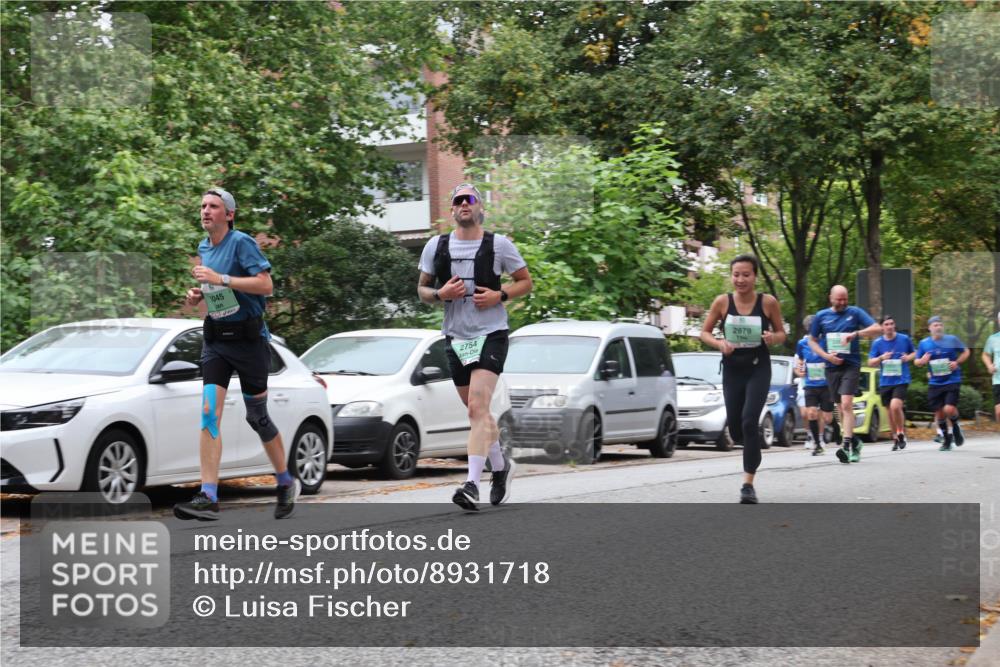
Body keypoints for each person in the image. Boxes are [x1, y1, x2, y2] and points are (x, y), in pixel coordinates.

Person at [174, 188, 299, 521]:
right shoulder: (204, 247)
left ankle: (285, 481)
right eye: (202, 206)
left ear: (229, 214)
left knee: (256, 417)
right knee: (207, 413)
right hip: (216, 340)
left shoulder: (242, 242)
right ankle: (208, 495)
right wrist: (199, 294)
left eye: (213, 206)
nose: (205, 211)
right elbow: (219, 293)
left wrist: (221, 279)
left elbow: (265, 285)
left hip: (248, 341)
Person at [417, 183, 533, 511]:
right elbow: (422, 290)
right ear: (452, 210)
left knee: (475, 410)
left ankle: (470, 484)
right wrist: (441, 295)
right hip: (458, 338)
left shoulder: (499, 245)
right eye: (458, 200)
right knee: (479, 412)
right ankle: (501, 467)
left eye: (471, 199)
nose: (464, 204)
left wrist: (502, 295)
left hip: (491, 334)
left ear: (480, 208)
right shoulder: (435, 246)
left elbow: (526, 281)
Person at [700, 254, 786, 504]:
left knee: (750, 422)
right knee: (737, 430)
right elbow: (704, 332)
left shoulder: (768, 302)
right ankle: (747, 442)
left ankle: (748, 484)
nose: (740, 279)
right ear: (731, 276)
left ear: (755, 276)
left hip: (759, 368)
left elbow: (782, 333)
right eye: (736, 274)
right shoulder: (722, 302)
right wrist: (719, 343)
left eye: (746, 274)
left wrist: (773, 338)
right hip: (732, 369)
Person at [808, 285, 882, 464]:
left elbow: (877, 328)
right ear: (830, 298)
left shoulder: (855, 312)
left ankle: (846, 445)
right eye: (839, 299)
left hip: (851, 365)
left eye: (845, 299)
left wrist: (855, 334)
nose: (842, 302)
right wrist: (826, 356)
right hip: (832, 367)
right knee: (840, 408)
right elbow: (812, 340)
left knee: (847, 403)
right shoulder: (821, 316)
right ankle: (855, 442)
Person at [915, 315, 969, 451]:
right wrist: (922, 361)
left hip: (952, 379)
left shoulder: (951, 340)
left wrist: (956, 362)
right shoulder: (924, 343)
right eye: (935, 325)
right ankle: (946, 440)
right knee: (939, 413)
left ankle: (956, 425)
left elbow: (966, 352)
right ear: (929, 328)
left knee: (948, 409)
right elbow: (916, 362)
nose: (938, 327)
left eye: (940, 325)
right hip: (935, 382)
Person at [867, 314, 917, 451]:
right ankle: (895, 437)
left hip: (901, 379)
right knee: (889, 412)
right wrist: (881, 358)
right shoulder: (877, 343)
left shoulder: (904, 339)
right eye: (886, 324)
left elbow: (915, 353)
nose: (889, 326)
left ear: (894, 325)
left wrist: (907, 357)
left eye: (891, 323)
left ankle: (901, 432)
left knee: (896, 406)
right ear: (882, 327)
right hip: (885, 381)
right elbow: (870, 362)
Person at [794, 314, 837, 456]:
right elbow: (800, 359)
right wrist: (801, 367)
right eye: (810, 328)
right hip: (810, 385)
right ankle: (817, 445)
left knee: (827, 418)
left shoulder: (826, 342)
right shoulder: (802, 344)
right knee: (811, 413)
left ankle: (837, 429)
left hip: (826, 385)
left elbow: (835, 358)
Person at [981, 312, 1000, 423]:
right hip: (998, 379)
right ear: (999, 322)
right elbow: (985, 354)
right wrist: (989, 365)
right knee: (998, 412)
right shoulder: (993, 339)